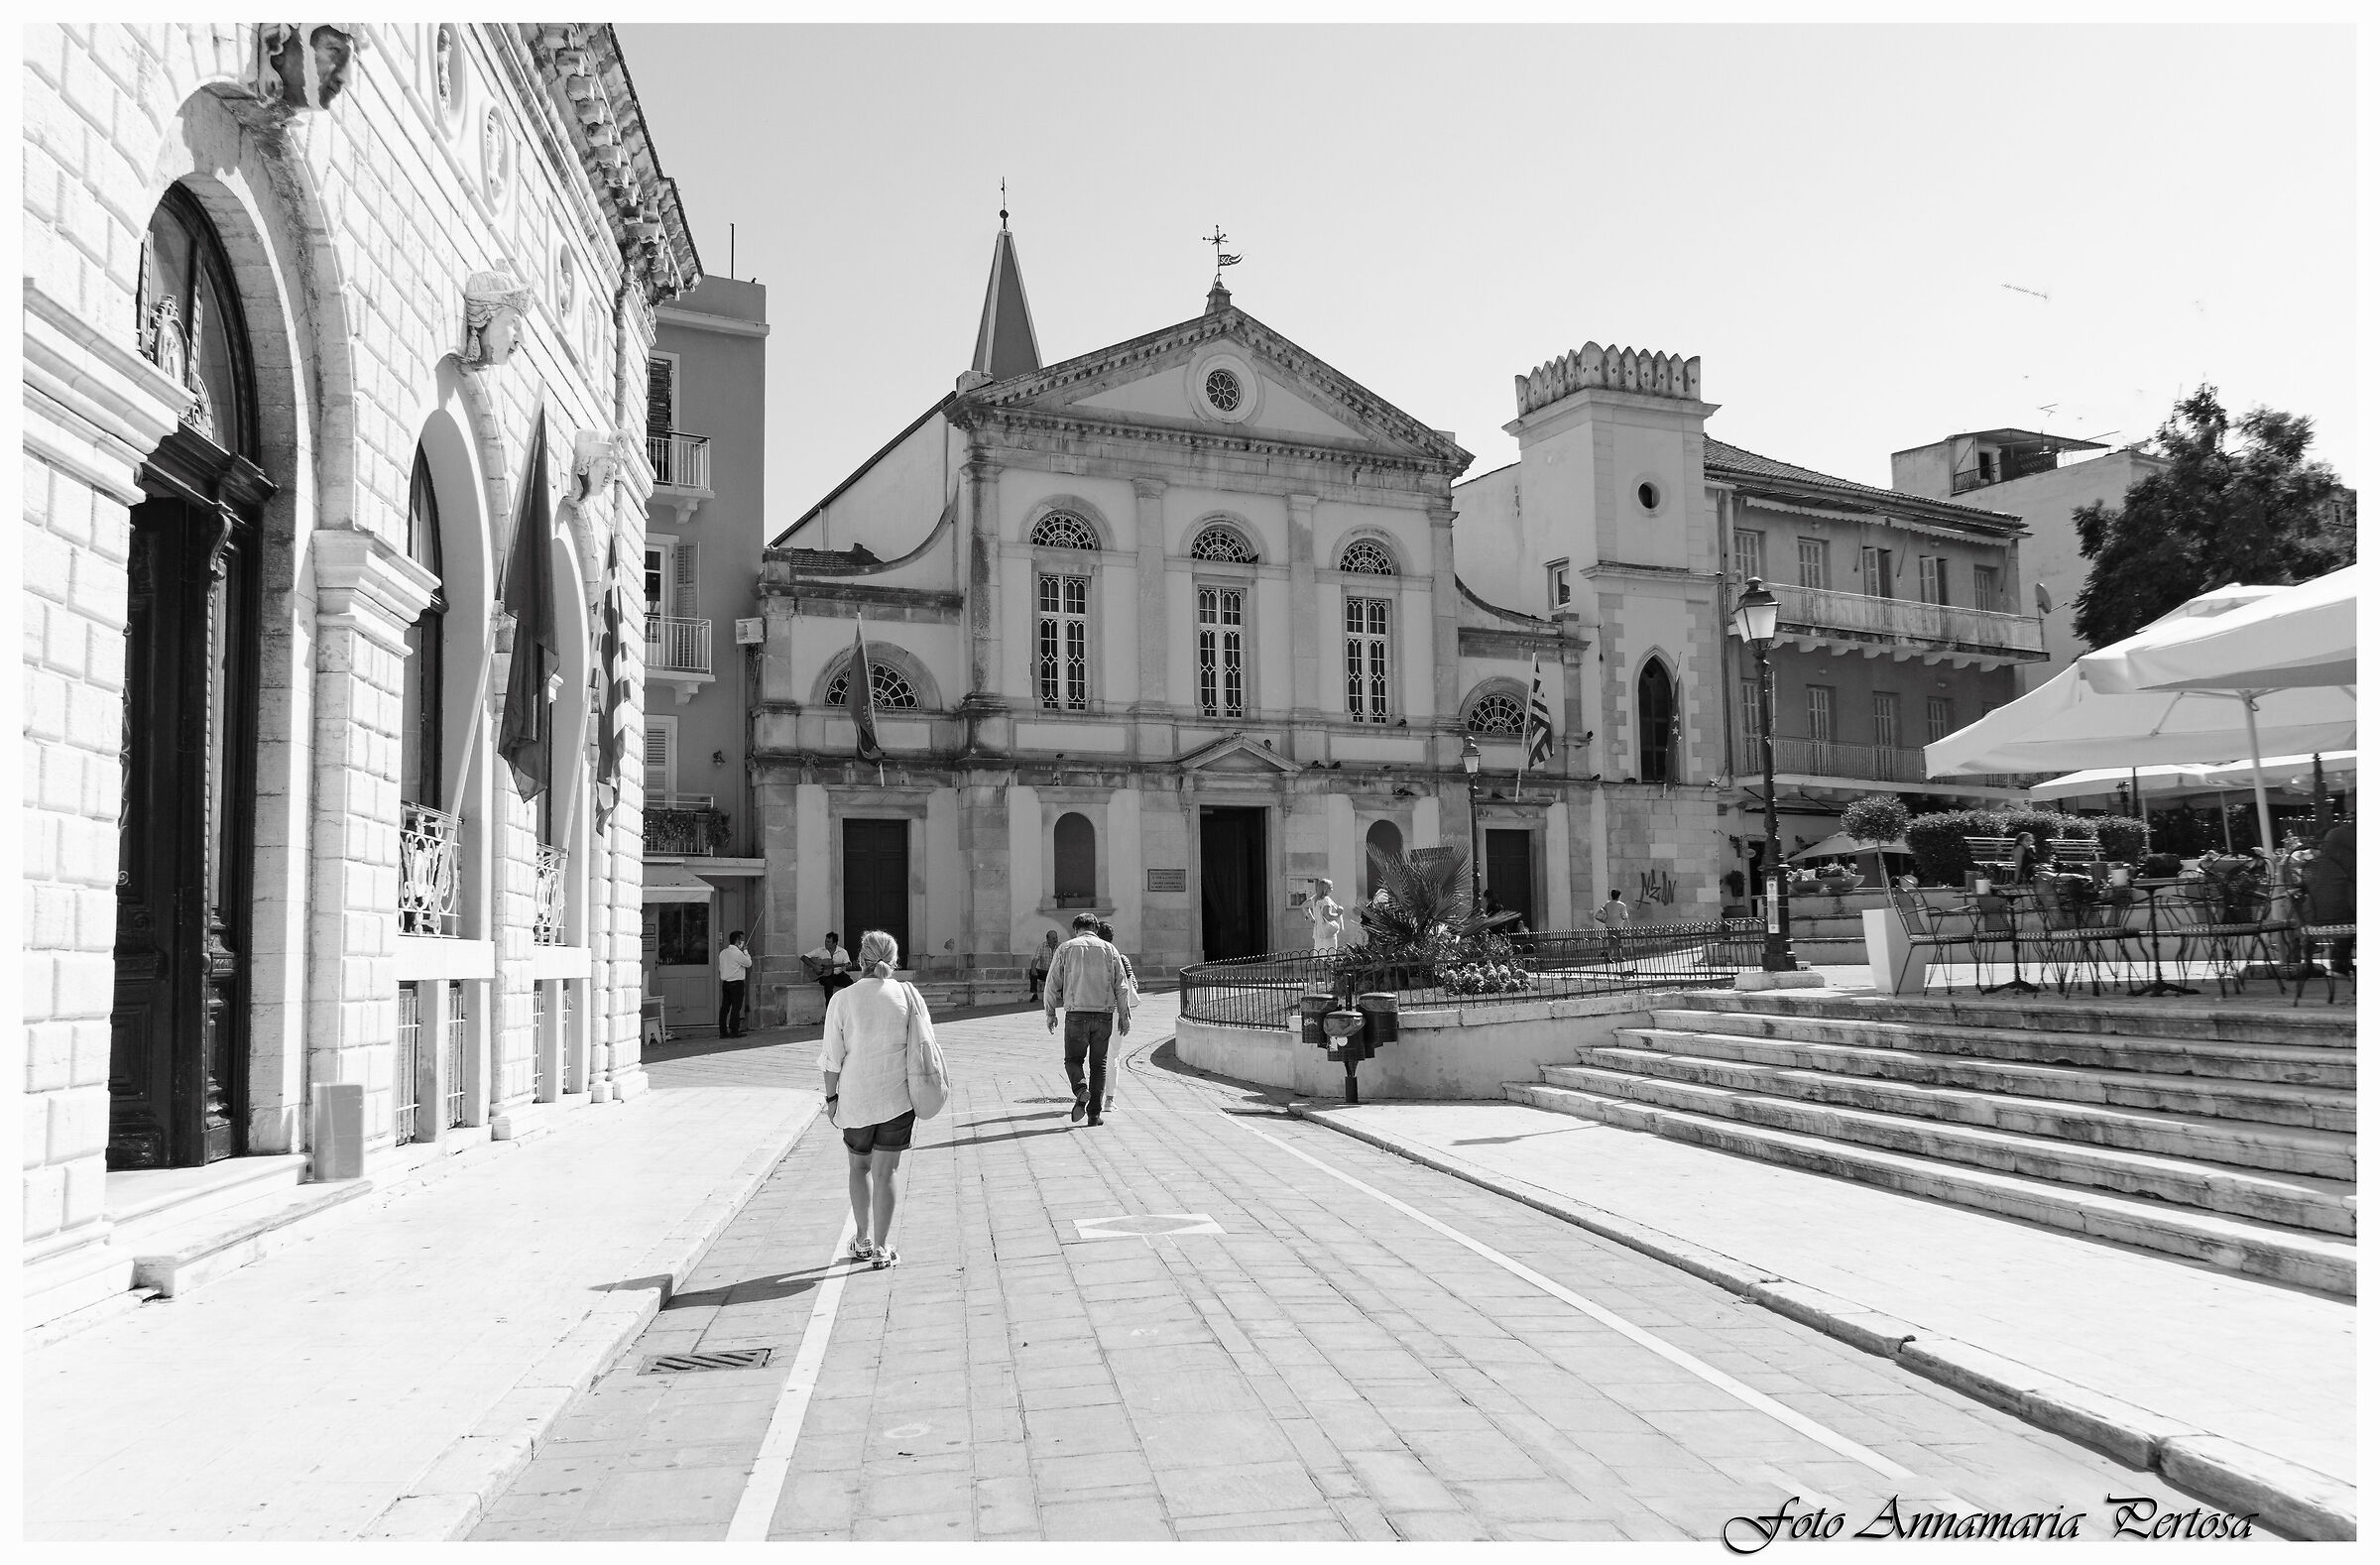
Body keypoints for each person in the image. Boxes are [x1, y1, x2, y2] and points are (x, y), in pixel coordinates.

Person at [820, 930, 927, 1270]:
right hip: (898, 1098)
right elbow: (924, 1046)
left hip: (855, 1098)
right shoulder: (908, 995)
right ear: (895, 960)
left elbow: (831, 1059)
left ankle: (863, 1239)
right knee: (886, 1172)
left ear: (859, 960)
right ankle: (882, 1247)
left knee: (858, 1166)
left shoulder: (843, 999)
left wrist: (831, 1099)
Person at [1043, 911, 1132, 1128]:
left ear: (1076, 929)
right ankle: (1094, 1115)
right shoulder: (1110, 949)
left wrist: (1051, 1012)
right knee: (1099, 1065)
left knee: (1073, 1060)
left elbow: (1052, 982)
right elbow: (1121, 985)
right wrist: (1124, 1015)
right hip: (1103, 1015)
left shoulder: (1065, 948)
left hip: (1076, 1013)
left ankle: (1081, 1089)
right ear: (1094, 927)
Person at [1096, 920, 1135, 1113]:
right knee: (1113, 1056)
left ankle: (1096, 1095)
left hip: (1096, 1010)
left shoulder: (1093, 959)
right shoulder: (1121, 958)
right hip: (1117, 1012)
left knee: (1096, 1056)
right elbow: (1132, 985)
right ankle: (1109, 1100)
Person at [717, 929, 753, 1038]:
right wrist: (746, 952)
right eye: (741, 940)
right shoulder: (737, 953)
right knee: (736, 1008)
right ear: (737, 940)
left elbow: (720, 967)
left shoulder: (723, 952)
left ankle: (723, 1031)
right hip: (736, 983)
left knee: (725, 1008)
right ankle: (734, 1030)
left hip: (726, 983)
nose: (743, 942)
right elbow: (748, 963)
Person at [804, 930, 854, 1007]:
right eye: (826, 941)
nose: (826, 943)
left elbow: (848, 965)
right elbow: (804, 957)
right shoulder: (820, 950)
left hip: (837, 975)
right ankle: (829, 1007)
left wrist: (848, 966)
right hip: (825, 976)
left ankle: (846, 1006)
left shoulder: (843, 952)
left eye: (828, 942)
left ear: (834, 943)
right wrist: (815, 966)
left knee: (849, 982)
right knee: (828, 983)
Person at [1308, 879, 1345, 952]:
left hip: (1318, 932)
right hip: (1328, 932)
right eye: (1331, 888)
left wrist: (1310, 917)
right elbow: (1327, 916)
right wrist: (1338, 915)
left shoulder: (1315, 899)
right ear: (1326, 889)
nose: (1332, 890)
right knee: (1329, 954)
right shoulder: (1326, 900)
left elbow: (1303, 906)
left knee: (1319, 954)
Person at [1025, 927, 1062, 1002]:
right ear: (1048, 939)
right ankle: (1034, 994)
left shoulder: (1061, 947)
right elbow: (1035, 959)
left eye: (1056, 938)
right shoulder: (1042, 946)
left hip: (1057, 974)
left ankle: (1064, 994)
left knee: (1067, 972)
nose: (1055, 940)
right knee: (1032, 970)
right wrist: (1033, 969)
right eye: (1053, 938)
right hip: (1046, 973)